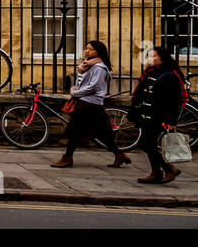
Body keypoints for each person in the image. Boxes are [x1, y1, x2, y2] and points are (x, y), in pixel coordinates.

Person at [50, 40, 130, 169]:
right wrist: (75, 88)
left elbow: (94, 86)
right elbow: (84, 83)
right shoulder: (88, 65)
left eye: (91, 49)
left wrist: (76, 93)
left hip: (90, 103)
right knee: (102, 132)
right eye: (86, 48)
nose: (87, 51)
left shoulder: (99, 67)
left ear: (99, 52)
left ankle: (67, 158)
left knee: (74, 130)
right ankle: (119, 155)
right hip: (88, 102)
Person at [130, 45, 185, 184]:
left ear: (163, 58)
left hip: (159, 116)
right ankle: (157, 172)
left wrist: (171, 121)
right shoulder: (151, 72)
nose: (150, 59)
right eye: (149, 56)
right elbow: (142, 92)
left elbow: (173, 101)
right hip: (147, 114)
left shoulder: (169, 74)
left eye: (154, 56)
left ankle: (166, 169)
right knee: (147, 143)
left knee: (146, 143)